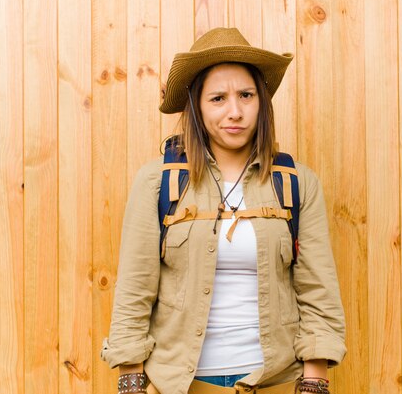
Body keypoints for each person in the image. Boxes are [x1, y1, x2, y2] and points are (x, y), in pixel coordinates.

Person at [101, 27, 346, 394]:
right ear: (197, 106)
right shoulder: (157, 182)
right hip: (179, 385)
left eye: (246, 95)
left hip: (273, 382)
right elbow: (134, 292)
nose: (235, 111)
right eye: (218, 98)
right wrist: (131, 383)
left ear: (261, 100)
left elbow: (317, 292)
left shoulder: (297, 182)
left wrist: (314, 382)